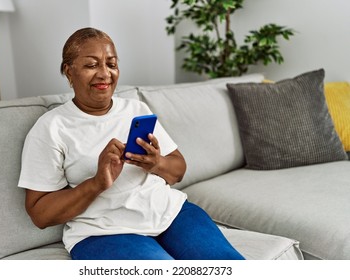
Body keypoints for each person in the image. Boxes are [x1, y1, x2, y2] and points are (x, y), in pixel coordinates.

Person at [18, 27, 245, 260]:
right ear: (69, 71)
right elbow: (40, 214)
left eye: (111, 64)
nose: (104, 74)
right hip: (104, 233)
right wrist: (96, 183)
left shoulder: (135, 109)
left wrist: (156, 163)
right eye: (91, 65)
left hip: (172, 214)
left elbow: (178, 171)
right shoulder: (51, 128)